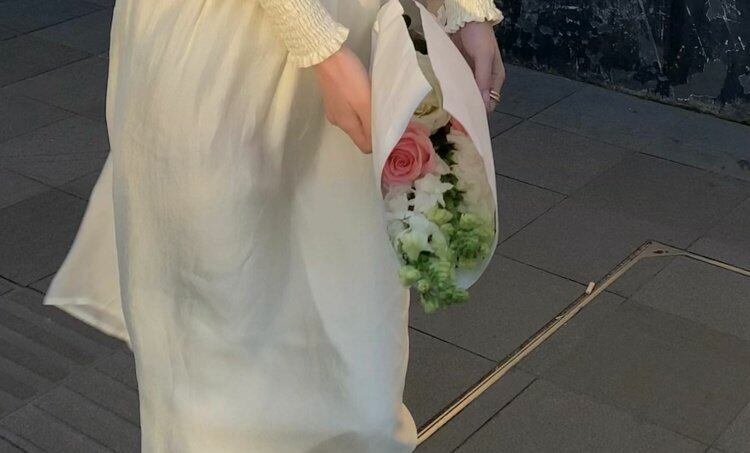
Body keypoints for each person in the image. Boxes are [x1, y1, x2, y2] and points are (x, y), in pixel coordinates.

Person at [44, 0, 505, 451]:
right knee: (220, 383)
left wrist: (463, 7)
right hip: (225, 56)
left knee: (361, 374)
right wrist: (317, 43)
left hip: (355, 47)